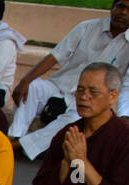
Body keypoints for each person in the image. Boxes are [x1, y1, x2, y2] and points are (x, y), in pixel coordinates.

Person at [7, 63, 129, 185]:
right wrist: (66, 163)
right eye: (80, 90)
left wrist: (82, 162)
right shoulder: (69, 132)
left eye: (92, 92)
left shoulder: (123, 138)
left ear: (113, 96)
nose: (83, 97)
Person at [9, 2, 129, 161]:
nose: (123, 12)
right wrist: (25, 80)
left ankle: (18, 146)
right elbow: (55, 56)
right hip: (59, 86)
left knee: (75, 121)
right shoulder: (87, 27)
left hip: (89, 98)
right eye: (120, 6)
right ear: (112, 8)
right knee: (32, 87)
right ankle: (15, 135)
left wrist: (124, 115)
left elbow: (127, 85)